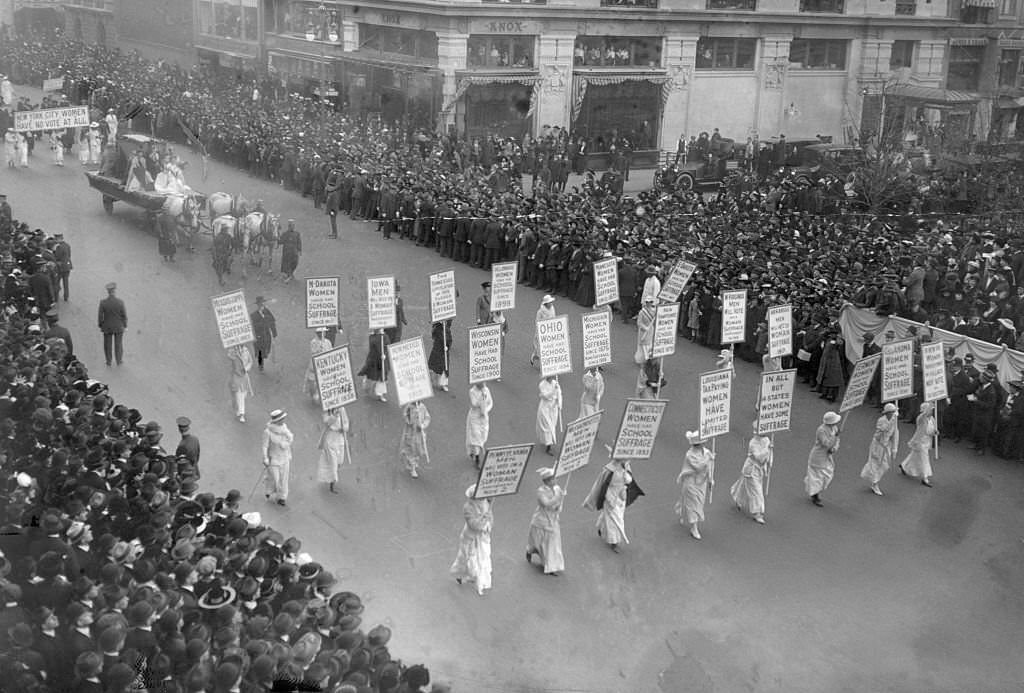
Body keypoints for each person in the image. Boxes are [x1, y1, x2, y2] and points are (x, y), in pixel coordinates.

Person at [583, 457, 640, 553]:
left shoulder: (626, 466)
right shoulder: (609, 470)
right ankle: (614, 542)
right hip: (611, 497)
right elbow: (600, 484)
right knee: (614, 520)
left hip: (621, 498)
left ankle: (601, 527)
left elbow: (629, 481)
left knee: (613, 517)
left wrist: (626, 474)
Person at [450, 484, 493, 596]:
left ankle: (480, 583)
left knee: (482, 560)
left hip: (482, 538)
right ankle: (459, 574)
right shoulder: (468, 507)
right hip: (470, 537)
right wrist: (484, 518)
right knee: (466, 558)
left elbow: (490, 520)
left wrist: (488, 523)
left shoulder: (486, 504)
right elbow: (473, 525)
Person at [525, 468, 565, 576]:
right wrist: (558, 497)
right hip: (542, 520)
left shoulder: (557, 489)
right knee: (538, 542)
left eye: (554, 478)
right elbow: (546, 504)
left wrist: (560, 501)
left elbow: (558, 505)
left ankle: (551, 566)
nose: (554, 481)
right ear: (546, 481)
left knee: (552, 545)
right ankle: (530, 550)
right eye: (551, 479)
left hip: (553, 520)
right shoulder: (541, 491)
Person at [730, 422, 772, 524]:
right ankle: (757, 513)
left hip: (759, 470)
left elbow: (768, 457)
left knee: (744, 486)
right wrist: (768, 450)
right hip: (751, 469)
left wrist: (770, 459)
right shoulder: (753, 443)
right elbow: (759, 458)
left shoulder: (767, 440)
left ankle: (737, 497)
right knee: (756, 491)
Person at [676, 431, 715, 540]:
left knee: (699, 502)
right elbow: (698, 467)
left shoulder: (707, 452)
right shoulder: (690, 454)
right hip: (691, 482)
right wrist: (709, 459)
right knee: (694, 504)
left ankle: (684, 514)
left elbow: (709, 467)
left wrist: (711, 479)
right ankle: (694, 527)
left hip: (701, 482)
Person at [860, 402, 900, 496]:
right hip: (877, 445)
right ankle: (875, 483)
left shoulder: (895, 422)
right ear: (887, 413)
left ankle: (873, 479)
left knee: (885, 465)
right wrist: (892, 420)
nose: (893, 414)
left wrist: (895, 449)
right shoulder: (881, 420)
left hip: (886, 446)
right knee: (876, 463)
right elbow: (883, 430)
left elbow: (895, 435)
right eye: (892, 412)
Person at [805, 411, 842, 507]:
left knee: (828, 474)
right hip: (818, 456)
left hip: (827, 456)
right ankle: (815, 495)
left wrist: (834, 448)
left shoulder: (835, 428)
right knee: (817, 476)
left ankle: (814, 489)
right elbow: (826, 443)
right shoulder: (821, 430)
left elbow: (837, 442)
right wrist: (835, 437)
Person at [899, 401, 936, 487]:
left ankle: (904, 466)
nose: (932, 411)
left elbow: (931, 430)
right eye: (930, 410)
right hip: (919, 442)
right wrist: (928, 407)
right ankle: (925, 478)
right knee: (924, 459)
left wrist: (935, 432)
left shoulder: (932, 419)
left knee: (914, 456)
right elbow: (923, 418)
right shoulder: (921, 418)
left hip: (927, 441)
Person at [262, 409, 294, 506]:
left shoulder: (285, 428)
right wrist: (265, 458)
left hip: (284, 457)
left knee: (284, 479)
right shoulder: (268, 432)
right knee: (275, 478)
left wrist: (286, 443)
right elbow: (264, 446)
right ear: (277, 421)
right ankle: (269, 490)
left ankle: (282, 497)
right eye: (281, 419)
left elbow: (290, 438)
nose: (283, 420)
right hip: (274, 458)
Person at [317, 407, 349, 494]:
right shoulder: (326, 411)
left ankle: (330, 478)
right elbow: (327, 422)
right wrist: (335, 415)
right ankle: (332, 484)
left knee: (339, 461)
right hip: (330, 440)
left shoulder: (342, 409)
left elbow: (346, 422)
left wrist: (344, 428)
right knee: (333, 463)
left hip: (340, 440)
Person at [97, 282, 126, 366]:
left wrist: (100, 324)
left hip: (107, 326)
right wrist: (125, 325)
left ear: (108, 292)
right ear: (114, 291)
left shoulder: (103, 302)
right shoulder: (120, 302)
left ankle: (109, 361)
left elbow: (100, 315)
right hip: (118, 326)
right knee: (119, 344)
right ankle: (119, 360)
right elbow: (124, 315)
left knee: (107, 345)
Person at [400, 400, 431, 478]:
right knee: (411, 449)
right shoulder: (409, 406)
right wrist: (409, 421)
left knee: (418, 449)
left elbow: (427, 418)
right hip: (410, 432)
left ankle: (414, 462)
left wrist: (423, 425)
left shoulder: (422, 407)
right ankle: (412, 467)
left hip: (419, 433)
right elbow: (405, 415)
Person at [358, 328, 390, 402]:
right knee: (370, 376)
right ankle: (366, 387)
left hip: (382, 361)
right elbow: (374, 344)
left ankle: (380, 394)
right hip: (374, 360)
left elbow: (387, 344)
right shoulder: (372, 337)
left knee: (382, 378)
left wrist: (384, 354)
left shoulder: (385, 336)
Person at [465, 381, 493, 468]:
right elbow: (474, 404)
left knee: (483, 436)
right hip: (475, 417)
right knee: (476, 437)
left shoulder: (486, 390)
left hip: (484, 418)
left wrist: (485, 411)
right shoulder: (472, 391)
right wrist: (482, 398)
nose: (483, 383)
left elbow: (490, 403)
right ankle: (477, 458)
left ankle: (474, 451)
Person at [303, 329, 333, 403]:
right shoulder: (313, 342)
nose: (322, 334)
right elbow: (313, 352)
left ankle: (322, 394)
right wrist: (320, 348)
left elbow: (331, 351)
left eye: (323, 333)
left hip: (325, 364)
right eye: (319, 333)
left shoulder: (328, 342)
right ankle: (312, 393)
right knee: (312, 380)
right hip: (315, 364)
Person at [536, 375, 562, 455]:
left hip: (553, 408)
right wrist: (554, 390)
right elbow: (546, 396)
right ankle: (548, 446)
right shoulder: (542, 384)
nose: (551, 377)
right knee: (547, 426)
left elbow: (560, 394)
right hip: (545, 408)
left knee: (552, 425)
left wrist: (559, 404)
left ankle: (547, 442)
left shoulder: (555, 383)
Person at [227, 344, 253, 422]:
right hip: (236, 376)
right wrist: (233, 352)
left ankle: (239, 409)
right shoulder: (233, 351)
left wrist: (246, 368)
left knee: (244, 393)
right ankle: (242, 414)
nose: (240, 345)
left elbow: (250, 361)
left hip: (244, 376)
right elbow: (229, 357)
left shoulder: (246, 351)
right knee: (239, 394)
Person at [250, 296, 277, 371]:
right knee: (259, 352)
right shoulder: (254, 315)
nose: (262, 306)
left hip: (266, 335)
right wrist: (263, 321)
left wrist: (274, 332)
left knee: (266, 350)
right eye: (260, 304)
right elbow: (254, 326)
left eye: (263, 304)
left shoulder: (267, 312)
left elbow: (272, 322)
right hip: (258, 336)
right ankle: (260, 364)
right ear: (258, 305)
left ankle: (263, 358)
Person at [530, 294, 556, 366]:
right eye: (549, 302)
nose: (551, 303)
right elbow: (537, 322)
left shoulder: (553, 309)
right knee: (541, 349)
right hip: (542, 332)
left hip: (550, 331)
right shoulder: (540, 312)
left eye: (551, 302)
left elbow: (554, 319)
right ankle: (537, 358)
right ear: (546, 303)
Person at [428, 319, 453, 391]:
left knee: (445, 368)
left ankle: (443, 384)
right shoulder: (437, 328)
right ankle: (430, 378)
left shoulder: (447, 329)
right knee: (434, 366)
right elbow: (435, 337)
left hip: (445, 352)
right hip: (438, 350)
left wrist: (448, 346)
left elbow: (450, 339)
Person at [52, 232, 72, 302]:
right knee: (66, 283)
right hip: (67, 266)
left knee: (57, 282)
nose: (55, 240)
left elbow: (57, 257)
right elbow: (69, 255)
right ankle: (66, 296)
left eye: (55, 239)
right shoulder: (67, 245)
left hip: (60, 267)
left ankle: (56, 297)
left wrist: (54, 252)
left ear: (58, 239)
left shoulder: (58, 247)